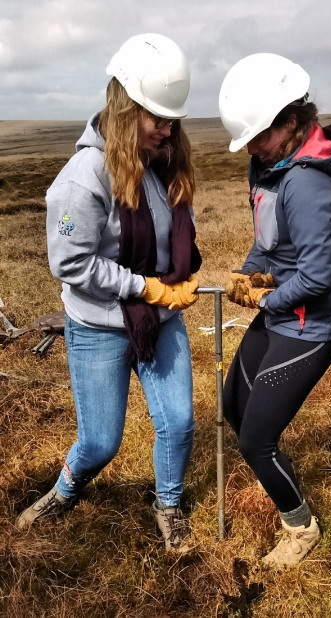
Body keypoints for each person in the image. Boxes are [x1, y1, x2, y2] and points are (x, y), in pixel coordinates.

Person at [16, 33, 202, 554]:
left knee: (181, 422)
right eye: (156, 119)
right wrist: (147, 286)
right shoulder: (82, 179)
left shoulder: (161, 158)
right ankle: (66, 489)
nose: (168, 131)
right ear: (125, 108)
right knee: (101, 441)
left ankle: (167, 504)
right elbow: (70, 262)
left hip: (159, 318)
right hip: (100, 325)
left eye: (173, 120)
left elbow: (174, 231)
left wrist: (181, 274)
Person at [219, 53, 331, 567]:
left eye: (259, 136)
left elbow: (318, 276)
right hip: (281, 314)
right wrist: (248, 271)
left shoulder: (308, 183)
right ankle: (277, 469)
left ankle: (301, 528)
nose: (252, 147)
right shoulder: (269, 167)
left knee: (255, 439)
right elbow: (270, 246)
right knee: (234, 405)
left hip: (311, 327)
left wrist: (266, 297)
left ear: (292, 123)